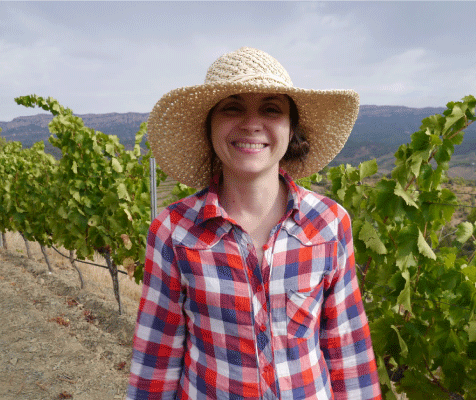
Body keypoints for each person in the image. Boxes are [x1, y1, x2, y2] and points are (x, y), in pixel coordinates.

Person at [126, 47, 381, 400]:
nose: (251, 123)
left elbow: (348, 352)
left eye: (271, 109)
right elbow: (156, 360)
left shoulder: (329, 223)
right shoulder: (173, 231)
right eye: (232, 107)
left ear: (291, 130)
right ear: (209, 127)